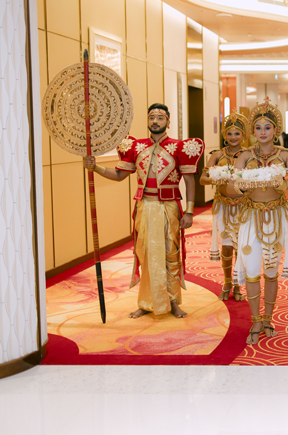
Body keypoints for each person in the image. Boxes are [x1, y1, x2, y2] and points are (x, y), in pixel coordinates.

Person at [83, 103, 204, 319]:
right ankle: (146, 302)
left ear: (168, 121)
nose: (155, 121)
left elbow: (189, 181)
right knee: (146, 254)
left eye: (160, 117)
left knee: (170, 253)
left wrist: (189, 211)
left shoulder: (179, 147)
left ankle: (173, 301)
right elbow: (119, 175)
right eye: (151, 117)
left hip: (169, 208)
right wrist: (95, 167)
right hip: (144, 206)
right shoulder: (136, 147)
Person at [230, 97, 288, 344]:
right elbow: (232, 186)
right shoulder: (244, 156)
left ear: (276, 129)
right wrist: (243, 186)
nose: (263, 132)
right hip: (250, 217)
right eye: (258, 127)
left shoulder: (286, 156)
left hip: (276, 217)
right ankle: (255, 321)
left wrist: (282, 184)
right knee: (252, 271)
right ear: (253, 131)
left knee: (271, 272)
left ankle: (269, 319)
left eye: (268, 127)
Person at [199, 111, 250, 302]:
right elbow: (203, 179)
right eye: (229, 133)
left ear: (243, 135)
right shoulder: (217, 155)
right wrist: (217, 177)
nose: (233, 137)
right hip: (223, 206)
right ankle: (227, 282)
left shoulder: (249, 155)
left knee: (241, 247)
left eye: (237, 133)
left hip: (244, 206)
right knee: (227, 248)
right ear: (224, 135)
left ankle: (237, 285)